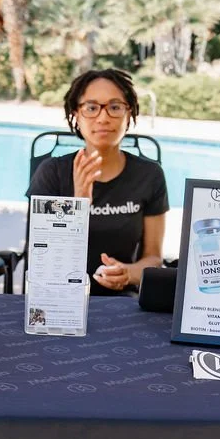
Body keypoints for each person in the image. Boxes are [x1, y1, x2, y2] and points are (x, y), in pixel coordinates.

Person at [28, 67, 168, 295]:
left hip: (123, 301)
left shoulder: (150, 175)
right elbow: (43, 259)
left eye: (114, 107)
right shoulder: (52, 173)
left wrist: (127, 273)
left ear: (128, 113)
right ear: (76, 114)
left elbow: (153, 257)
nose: (103, 118)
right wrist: (78, 204)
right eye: (91, 108)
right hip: (58, 296)